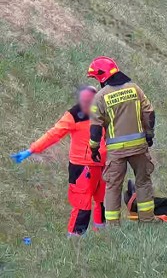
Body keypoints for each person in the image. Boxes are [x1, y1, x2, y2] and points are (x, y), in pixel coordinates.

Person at [10, 86, 108, 236]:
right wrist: (32, 150)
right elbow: (54, 134)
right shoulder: (74, 115)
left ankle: (102, 234)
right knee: (82, 204)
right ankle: (75, 240)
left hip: (102, 165)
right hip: (82, 167)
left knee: (102, 201)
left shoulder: (104, 112)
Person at [87, 56, 157, 225]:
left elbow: (96, 127)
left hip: (116, 151)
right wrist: (149, 134)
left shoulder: (101, 97)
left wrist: (94, 148)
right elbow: (149, 112)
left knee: (113, 186)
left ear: (102, 76)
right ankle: (147, 220)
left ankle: (113, 226)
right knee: (143, 181)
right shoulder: (134, 89)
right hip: (139, 147)